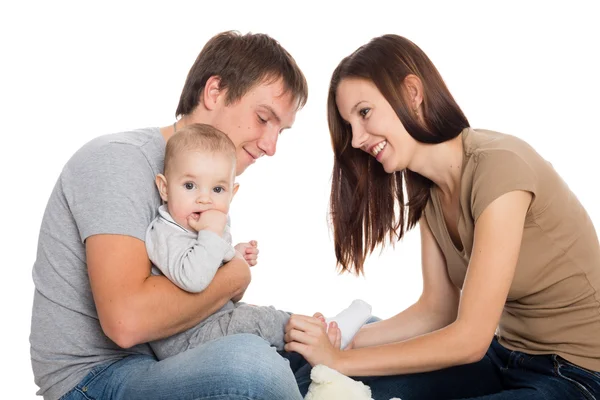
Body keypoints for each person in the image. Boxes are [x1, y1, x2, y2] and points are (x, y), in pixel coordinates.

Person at [285, 34, 600, 399]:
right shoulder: (430, 191)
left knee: (345, 373)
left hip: (576, 374)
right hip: (505, 359)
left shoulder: (499, 168)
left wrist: (342, 360)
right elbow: (436, 309)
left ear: (412, 93)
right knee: (337, 382)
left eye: (364, 113)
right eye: (349, 123)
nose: (356, 139)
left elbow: (469, 340)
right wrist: (342, 341)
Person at [30, 30, 309, 400]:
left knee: (332, 344)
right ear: (215, 92)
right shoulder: (118, 161)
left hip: (167, 362)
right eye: (263, 118)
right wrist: (234, 276)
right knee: (251, 366)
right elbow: (125, 322)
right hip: (94, 378)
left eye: (281, 130)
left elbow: (198, 311)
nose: (271, 146)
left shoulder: (207, 182)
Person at [145, 122, 288, 359]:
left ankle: (316, 338)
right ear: (165, 188)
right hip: (185, 338)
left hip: (213, 318)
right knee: (260, 321)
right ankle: (316, 332)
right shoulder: (164, 232)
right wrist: (212, 235)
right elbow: (194, 279)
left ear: (233, 193)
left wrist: (235, 254)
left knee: (260, 315)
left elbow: (219, 275)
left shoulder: (207, 224)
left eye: (218, 190)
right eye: (190, 186)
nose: (205, 199)